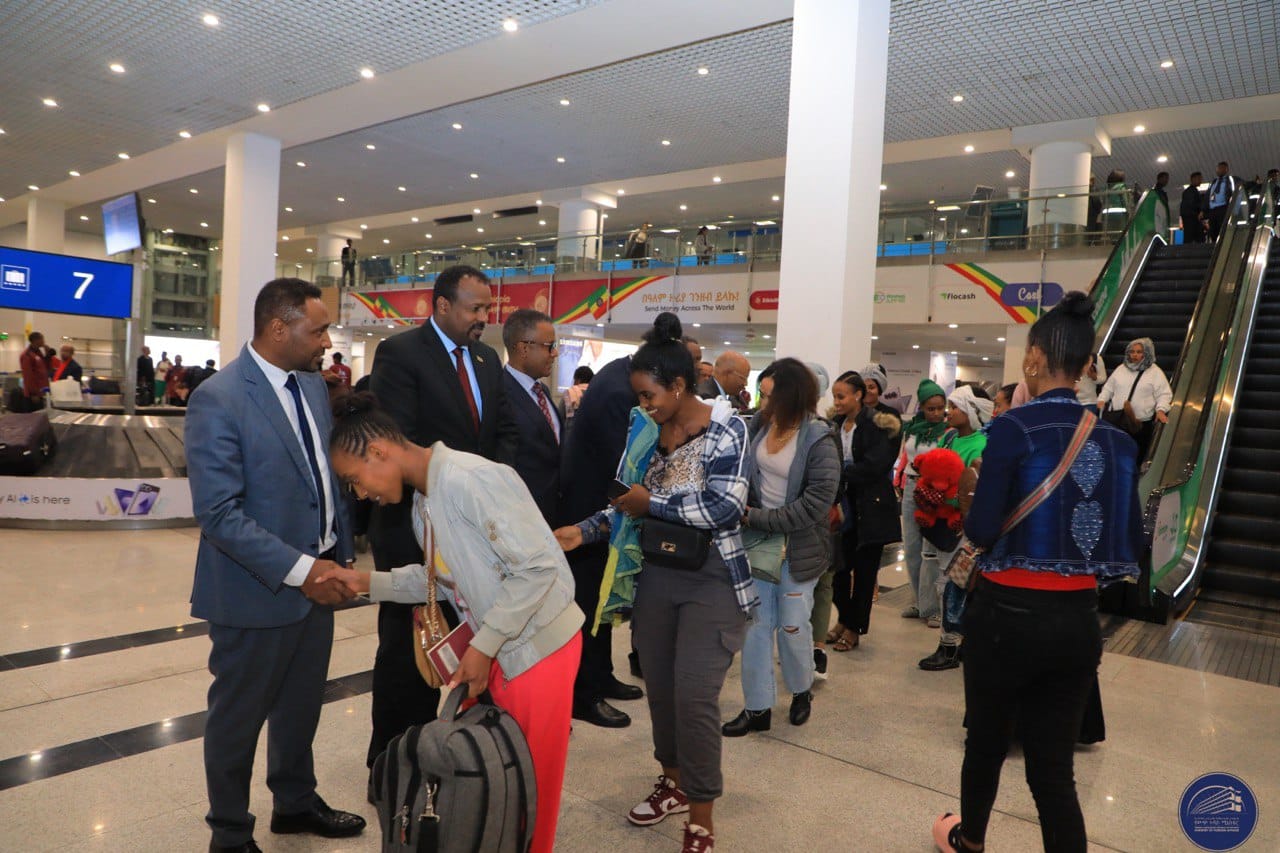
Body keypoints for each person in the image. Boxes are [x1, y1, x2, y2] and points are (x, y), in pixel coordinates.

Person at [321, 393, 583, 853]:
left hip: (538, 646)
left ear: (379, 451)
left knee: (529, 789)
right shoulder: (426, 501)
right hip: (497, 644)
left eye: (354, 480)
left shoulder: (471, 480)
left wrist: (483, 646)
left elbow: (540, 568)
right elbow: (441, 580)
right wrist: (365, 580)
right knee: (500, 775)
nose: (362, 495)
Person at [931, 291, 1141, 853]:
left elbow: (980, 529)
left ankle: (970, 840)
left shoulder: (1014, 428)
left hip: (1005, 616)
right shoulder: (1119, 442)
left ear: (1034, 359)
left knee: (986, 745)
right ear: (1088, 365)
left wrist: (974, 489)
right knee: (1053, 772)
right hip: (1076, 621)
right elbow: (1123, 536)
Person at [555, 312, 752, 853]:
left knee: (694, 698)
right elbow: (624, 502)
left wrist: (655, 502)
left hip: (712, 578)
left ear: (679, 385)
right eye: (638, 397)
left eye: (650, 395)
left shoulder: (727, 425)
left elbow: (726, 506)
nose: (644, 406)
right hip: (655, 576)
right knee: (662, 693)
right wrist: (585, 529)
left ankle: (702, 817)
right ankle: (674, 782)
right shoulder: (642, 430)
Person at [185, 278, 364, 853]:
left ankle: (293, 801)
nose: (326, 340)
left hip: (318, 584)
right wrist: (302, 569)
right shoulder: (219, 397)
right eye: (318, 329)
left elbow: (321, 478)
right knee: (239, 718)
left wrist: (337, 553)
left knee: (300, 705)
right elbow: (218, 514)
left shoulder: (311, 387)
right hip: (255, 590)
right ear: (278, 327)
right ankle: (230, 834)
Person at [365, 264, 518, 770]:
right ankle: (392, 764)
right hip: (415, 527)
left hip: (473, 531)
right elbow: (398, 441)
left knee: (469, 639)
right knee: (409, 654)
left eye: (487, 308)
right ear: (443, 306)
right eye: (475, 308)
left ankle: (455, 756)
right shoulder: (401, 354)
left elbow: (494, 437)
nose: (484, 317)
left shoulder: (487, 357)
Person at [723, 358, 839, 736]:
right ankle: (757, 708)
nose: (763, 400)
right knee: (756, 626)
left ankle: (801, 689)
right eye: (762, 392)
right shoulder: (760, 424)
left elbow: (816, 504)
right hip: (757, 542)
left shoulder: (819, 437)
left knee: (792, 624)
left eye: (771, 394)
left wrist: (755, 517)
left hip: (800, 545)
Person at [558, 352, 645, 730]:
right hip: (588, 511)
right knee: (588, 606)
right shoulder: (615, 391)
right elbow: (621, 464)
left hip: (600, 509)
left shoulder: (619, 377)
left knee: (600, 603)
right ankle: (582, 694)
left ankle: (602, 675)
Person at [918, 385, 992, 671]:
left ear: (972, 412)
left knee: (951, 586)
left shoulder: (979, 445)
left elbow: (969, 490)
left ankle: (948, 647)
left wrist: (945, 497)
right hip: (937, 522)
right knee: (946, 585)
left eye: (956, 407)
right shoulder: (949, 437)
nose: (950, 412)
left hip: (960, 526)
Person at [828, 371, 901, 651]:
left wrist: (840, 472)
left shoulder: (878, 425)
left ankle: (855, 628)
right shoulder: (834, 424)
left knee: (864, 571)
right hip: (842, 506)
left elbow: (876, 466)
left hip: (870, 508)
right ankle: (844, 619)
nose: (836, 402)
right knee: (838, 569)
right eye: (835, 396)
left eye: (841, 396)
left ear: (858, 395)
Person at [894, 379, 950, 623]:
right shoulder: (911, 428)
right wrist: (899, 479)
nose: (937, 413)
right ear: (922, 408)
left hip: (935, 489)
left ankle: (932, 607)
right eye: (931, 408)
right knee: (911, 547)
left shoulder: (949, 433)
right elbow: (904, 457)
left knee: (932, 551)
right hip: (910, 486)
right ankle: (918, 600)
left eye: (940, 408)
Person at [502, 308, 563, 525]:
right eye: (549, 347)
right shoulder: (499, 395)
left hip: (551, 516)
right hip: (520, 519)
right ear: (524, 348)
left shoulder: (542, 392)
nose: (555, 353)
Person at [1096, 337, 1172, 461]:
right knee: (1117, 454)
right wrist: (1102, 400)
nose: (1135, 355)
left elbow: (1164, 394)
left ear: (1146, 354)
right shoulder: (1121, 369)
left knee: (1136, 456)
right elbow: (1108, 388)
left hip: (1140, 424)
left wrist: (1161, 410)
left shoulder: (1155, 372)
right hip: (1118, 420)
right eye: (1132, 351)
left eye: (1139, 352)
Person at [1205, 161, 1237, 242]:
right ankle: (1214, 243)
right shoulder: (1214, 182)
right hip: (1212, 209)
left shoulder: (1229, 180)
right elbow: (1208, 195)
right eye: (1218, 169)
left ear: (1226, 170)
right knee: (1213, 229)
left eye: (1222, 168)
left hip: (1222, 208)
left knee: (1221, 228)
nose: (1220, 170)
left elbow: (1233, 192)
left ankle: (1222, 243)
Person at [19, 332, 50, 409]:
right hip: (33, 395)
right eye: (42, 339)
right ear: (36, 340)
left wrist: (48, 354)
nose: (44, 341)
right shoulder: (27, 355)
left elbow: (46, 368)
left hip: (41, 392)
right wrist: (33, 394)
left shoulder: (38, 353)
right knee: (32, 418)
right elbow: (28, 375)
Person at [558, 364, 594, 429]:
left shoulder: (570, 393)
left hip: (572, 434)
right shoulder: (596, 392)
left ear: (578, 380)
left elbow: (560, 417)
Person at [1180, 171, 1206, 243]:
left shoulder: (1190, 191)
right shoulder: (1191, 191)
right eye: (1199, 178)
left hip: (1189, 216)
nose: (1201, 180)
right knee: (1193, 235)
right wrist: (1199, 212)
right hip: (1191, 217)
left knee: (1190, 235)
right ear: (1193, 179)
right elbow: (1192, 204)